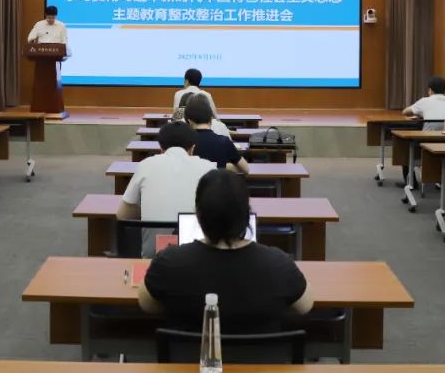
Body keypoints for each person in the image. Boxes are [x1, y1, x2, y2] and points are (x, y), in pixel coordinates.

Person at [139, 169, 313, 332]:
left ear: (197, 214)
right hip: (261, 356)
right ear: (246, 214)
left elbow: (147, 305)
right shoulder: (279, 265)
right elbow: (304, 306)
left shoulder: (168, 263)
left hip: (189, 356)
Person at [117, 121, 216, 256]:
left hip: (153, 258)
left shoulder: (146, 165)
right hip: (199, 257)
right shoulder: (209, 168)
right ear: (192, 148)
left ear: (161, 149)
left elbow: (122, 215)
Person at [185, 95, 249, 174]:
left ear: (189, 121)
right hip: (218, 181)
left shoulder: (184, 143)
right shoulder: (224, 141)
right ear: (211, 118)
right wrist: (221, 166)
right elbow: (246, 169)